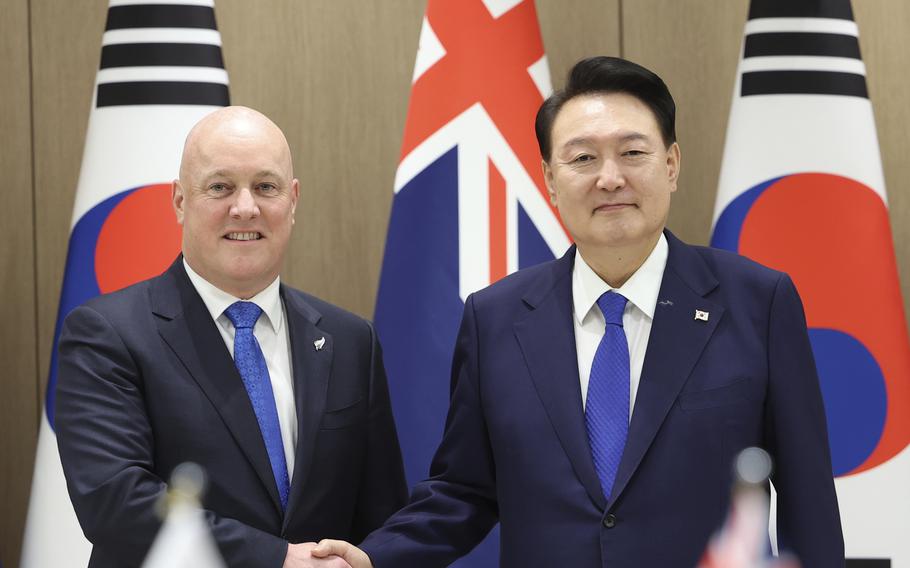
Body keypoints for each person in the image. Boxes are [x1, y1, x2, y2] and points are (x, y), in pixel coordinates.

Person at [312, 57, 844, 567]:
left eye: (632, 153)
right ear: (549, 179)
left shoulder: (756, 301)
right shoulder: (495, 318)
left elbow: (806, 494)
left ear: (672, 164)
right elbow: (464, 490)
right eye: (583, 158)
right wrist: (373, 558)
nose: (609, 178)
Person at [55, 106, 407, 568]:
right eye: (220, 187)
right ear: (180, 201)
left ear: (293, 200)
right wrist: (277, 559)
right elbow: (115, 501)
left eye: (266, 186)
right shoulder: (107, 334)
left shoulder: (350, 340)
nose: (245, 207)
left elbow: (381, 514)